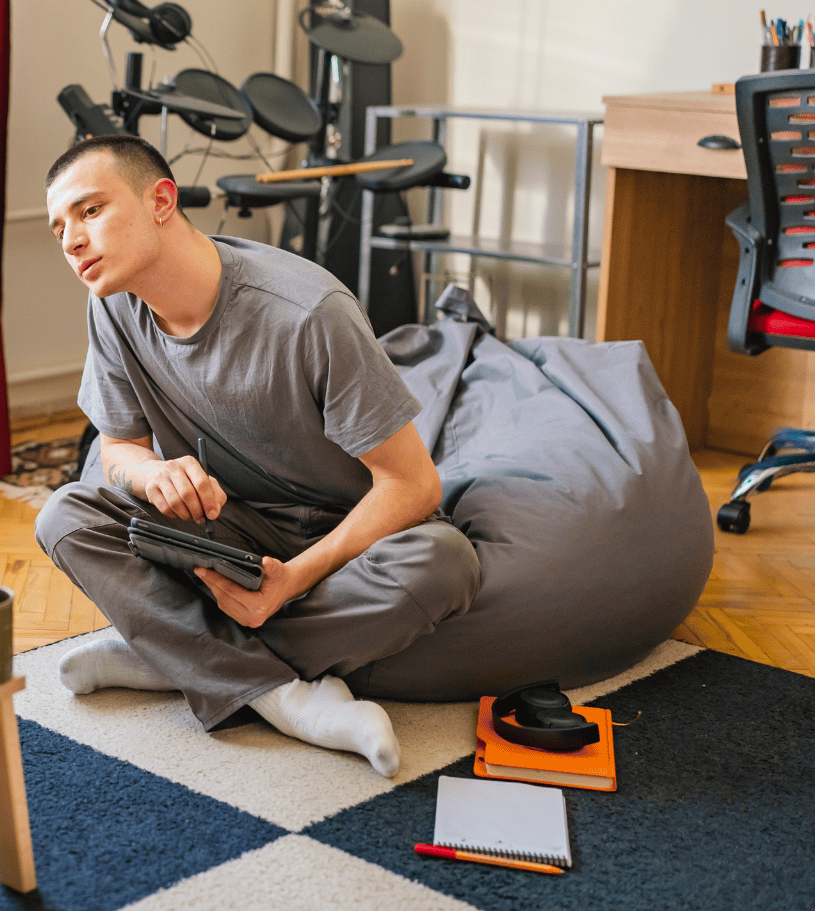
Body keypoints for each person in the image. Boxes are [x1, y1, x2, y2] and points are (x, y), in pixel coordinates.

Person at [34, 135, 480, 778]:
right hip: (231, 526)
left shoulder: (308, 313)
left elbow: (412, 487)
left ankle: (173, 655)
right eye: (59, 228)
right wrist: (152, 471)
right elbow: (118, 449)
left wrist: (296, 578)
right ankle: (280, 692)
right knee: (64, 517)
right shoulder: (111, 306)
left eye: (91, 211)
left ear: (161, 200)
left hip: (341, 536)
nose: (72, 240)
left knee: (445, 562)